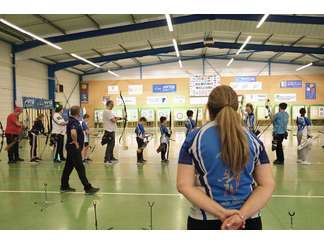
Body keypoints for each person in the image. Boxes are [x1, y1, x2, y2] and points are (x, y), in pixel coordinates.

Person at [177, 85, 275, 230]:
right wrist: (241, 215)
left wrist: (222, 213)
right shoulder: (253, 139)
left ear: (209, 108)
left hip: (205, 221)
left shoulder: (194, 138)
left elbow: (183, 185)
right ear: (236, 108)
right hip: (247, 221)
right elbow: (267, 184)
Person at [60, 105, 99, 194]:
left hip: (71, 148)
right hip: (73, 149)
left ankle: (64, 186)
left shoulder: (72, 121)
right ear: (78, 113)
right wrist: (76, 142)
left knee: (68, 168)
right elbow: (73, 133)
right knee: (80, 168)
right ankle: (87, 188)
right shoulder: (73, 121)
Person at [102, 100, 124, 165]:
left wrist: (122, 118)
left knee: (112, 145)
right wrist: (116, 119)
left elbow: (114, 117)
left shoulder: (109, 111)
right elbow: (113, 120)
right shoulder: (107, 111)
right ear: (109, 104)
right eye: (112, 104)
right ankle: (106, 159)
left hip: (111, 131)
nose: (113, 106)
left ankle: (111, 157)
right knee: (110, 145)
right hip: (109, 131)